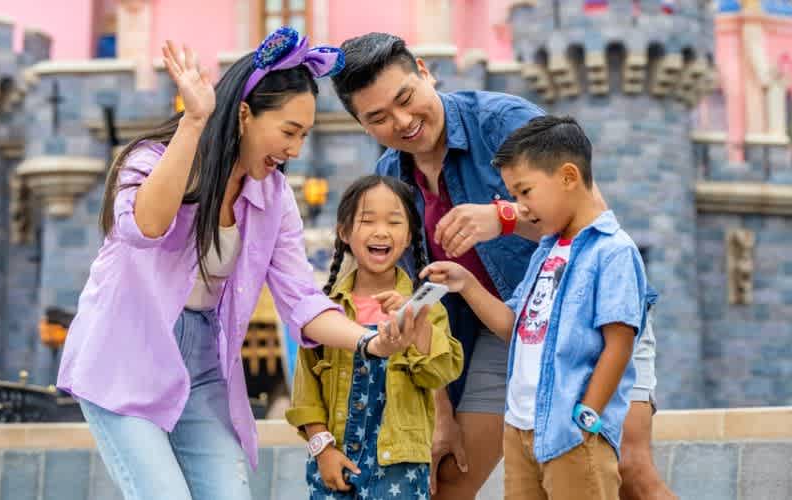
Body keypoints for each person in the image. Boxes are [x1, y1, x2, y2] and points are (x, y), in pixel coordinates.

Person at [56, 28, 424, 500]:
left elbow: (302, 299)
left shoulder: (273, 198)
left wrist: (371, 342)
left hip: (205, 363)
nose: (295, 149)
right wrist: (194, 122)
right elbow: (145, 227)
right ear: (245, 115)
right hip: (125, 354)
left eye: (305, 135)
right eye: (289, 131)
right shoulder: (150, 160)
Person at [331, 32, 672, 499]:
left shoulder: (503, 122)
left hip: (590, 316)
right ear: (363, 127)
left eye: (406, 98)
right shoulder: (392, 180)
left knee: (629, 471)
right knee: (448, 479)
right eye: (379, 118)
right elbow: (414, 303)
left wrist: (504, 216)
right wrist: (442, 412)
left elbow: (592, 217)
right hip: (499, 332)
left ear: (425, 72)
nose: (404, 121)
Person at [423, 116, 650, 500]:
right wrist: (467, 283)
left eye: (524, 191)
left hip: (572, 435)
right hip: (521, 430)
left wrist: (585, 419)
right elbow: (514, 326)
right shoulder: (545, 252)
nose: (520, 208)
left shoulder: (613, 251)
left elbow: (619, 344)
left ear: (567, 176)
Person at [286, 175, 464, 499]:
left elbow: (441, 371)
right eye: (367, 221)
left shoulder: (426, 307)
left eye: (394, 222)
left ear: (409, 236)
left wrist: (416, 322)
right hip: (334, 461)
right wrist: (321, 448)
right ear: (344, 232)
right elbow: (306, 395)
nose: (381, 231)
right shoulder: (325, 311)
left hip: (400, 469)